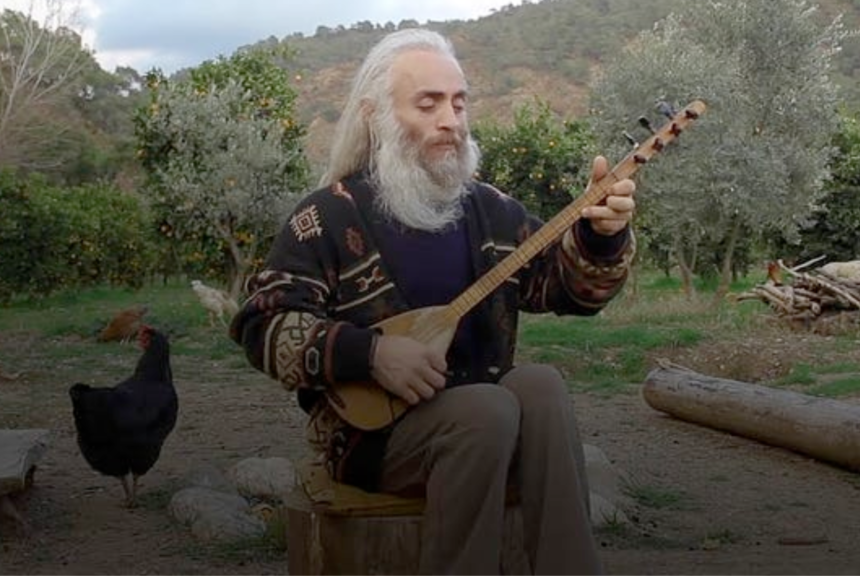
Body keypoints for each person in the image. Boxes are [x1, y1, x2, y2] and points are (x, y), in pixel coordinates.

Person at [230, 27, 636, 575]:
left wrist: (601, 235)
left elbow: (570, 291)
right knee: (485, 409)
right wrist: (370, 354)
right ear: (376, 115)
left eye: (459, 101)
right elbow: (263, 327)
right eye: (429, 103)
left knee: (539, 385)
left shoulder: (490, 211)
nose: (452, 119)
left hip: (485, 419)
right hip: (373, 438)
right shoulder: (326, 216)